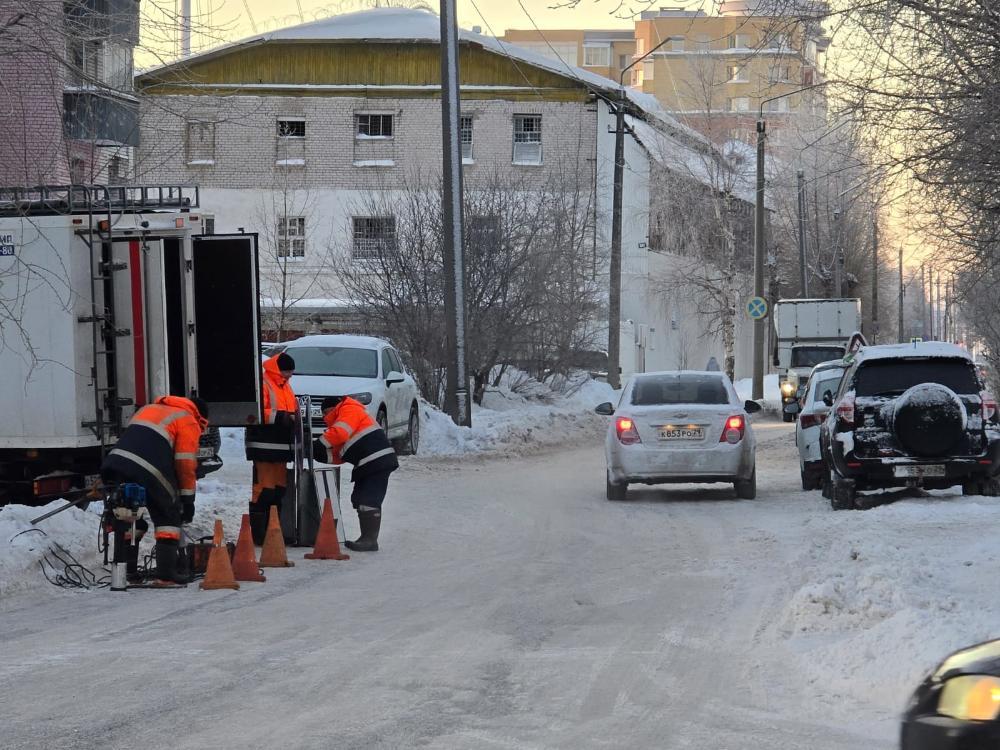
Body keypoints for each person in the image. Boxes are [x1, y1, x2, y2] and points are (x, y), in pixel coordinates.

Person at [100, 395, 209, 586]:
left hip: (116, 462)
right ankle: (166, 575)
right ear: (200, 416)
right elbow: (184, 463)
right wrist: (187, 500)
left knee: (129, 515)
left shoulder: (149, 408)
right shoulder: (188, 419)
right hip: (147, 468)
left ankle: (128, 572)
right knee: (168, 517)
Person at [313, 395, 398, 552]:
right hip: (370, 462)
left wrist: (319, 443)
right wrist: (320, 454)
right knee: (360, 499)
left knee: (368, 499)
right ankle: (366, 538)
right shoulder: (347, 416)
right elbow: (341, 454)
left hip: (376, 461)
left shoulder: (349, 409)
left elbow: (340, 433)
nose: (325, 418)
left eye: (325, 414)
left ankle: (369, 540)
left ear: (330, 410)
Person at [245, 352, 298, 544]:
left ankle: (273, 533)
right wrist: (281, 417)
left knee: (278, 491)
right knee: (264, 491)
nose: (290, 376)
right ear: (279, 369)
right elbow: (256, 412)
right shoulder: (264, 384)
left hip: (281, 447)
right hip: (264, 446)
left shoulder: (284, 386)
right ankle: (260, 536)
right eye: (287, 372)